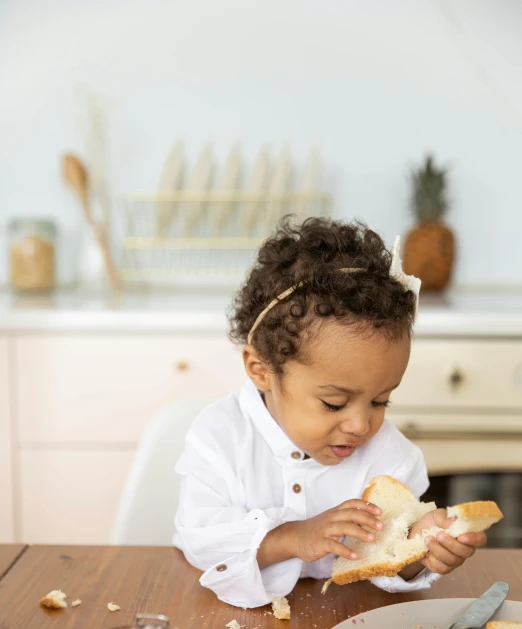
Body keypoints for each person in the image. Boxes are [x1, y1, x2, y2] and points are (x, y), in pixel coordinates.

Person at [174, 217, 486, 607]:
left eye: (380, 401)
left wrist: (419, 551)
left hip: (345, 616)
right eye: (334, 403)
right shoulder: (218, 438)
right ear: (262, 370)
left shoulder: (393, 459)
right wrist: (292, 537)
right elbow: (201, 542)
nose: (361, 425)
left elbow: (389, 560)